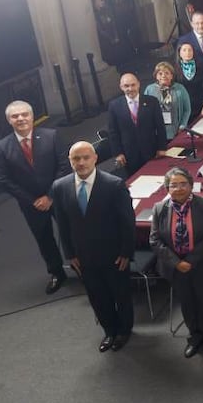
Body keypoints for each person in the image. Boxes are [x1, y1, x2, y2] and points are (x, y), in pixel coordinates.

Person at [50, 141, 135, 353]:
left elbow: (127, 222)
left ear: (95, 158)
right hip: (84, 257)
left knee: (120, 295)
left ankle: (124, 331)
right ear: (70, 162)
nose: (81, 162)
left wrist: (126, 252)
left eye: (85, 157)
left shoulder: (114, 184)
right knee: (97, 297)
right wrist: (69, 254)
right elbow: (62, 223)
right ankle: (109, 331)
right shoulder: (59, 187)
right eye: (76, 159)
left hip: (114, 255)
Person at [0, 100, 71, 294]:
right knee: (44, 239)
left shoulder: (51, 136)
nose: (20, 119)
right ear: (9, 120)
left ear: (32, 116)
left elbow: (64, 166)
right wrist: (33, 201)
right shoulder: (1, 147)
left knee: (71, 232)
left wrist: (49, 196)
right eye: (15, 116)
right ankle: (56, 273)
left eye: (24, 114)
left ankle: (84, 267)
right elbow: (4, 179)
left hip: (57, 196)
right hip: (31, 204)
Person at [149, 167, 203, 358]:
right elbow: (155, 240)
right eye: (173, 185)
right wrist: (176, 262)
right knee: (187, 303)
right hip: (175, 267)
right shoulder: (160, 208)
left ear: (191, 185)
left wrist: (190, 260)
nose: (179, 188)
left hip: (202, 264)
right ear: (167, 188)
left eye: (183, 184)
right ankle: (194, 336)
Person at [106, 73, 167, 175]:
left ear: (138, 84)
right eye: (126, 86)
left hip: (151, 151)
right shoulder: (114, 106)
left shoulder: (152, 102)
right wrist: (118, 153)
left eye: (133, 85)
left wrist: (162, 147)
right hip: (129, 155)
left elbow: (160, 126)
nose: (130, 88)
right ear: (121, 87)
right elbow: (113, 132)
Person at [144, 62, 191, 140]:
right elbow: (145, 111)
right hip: (157, 133)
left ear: (172, 76)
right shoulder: (149, 89)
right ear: (156, 76)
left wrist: (183, 125)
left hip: (176, 131)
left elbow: (187, 109)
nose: (163, 76)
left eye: (167, 73)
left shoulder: (180, 89)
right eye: (160, 73)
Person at [176, 42, 203, 119]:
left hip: (200, 106)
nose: (187, 53)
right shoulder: (175, 69)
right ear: (179, 53)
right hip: (183, 108)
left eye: (190, 50)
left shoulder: (201, 67)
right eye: (184, 50)